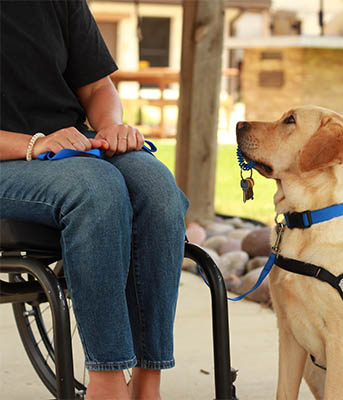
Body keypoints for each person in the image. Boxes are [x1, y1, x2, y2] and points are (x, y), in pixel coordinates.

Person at [0, 1, 189, 399]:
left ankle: (146, 382)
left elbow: (97, 86)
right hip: (15, 158)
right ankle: (106, 381)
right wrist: (35, 144)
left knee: (157, 191)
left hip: (72, 148)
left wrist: (110, 129)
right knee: (96, 189)